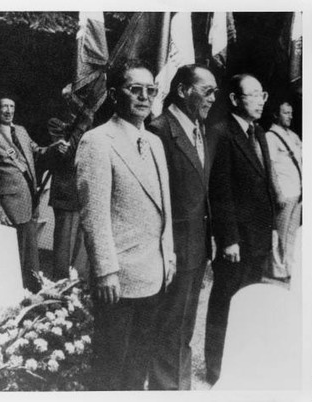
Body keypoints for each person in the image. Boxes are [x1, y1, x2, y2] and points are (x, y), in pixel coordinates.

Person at [76, 59, 176, 390]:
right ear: (116, 94)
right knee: (110, 368)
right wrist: (105, 271)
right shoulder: (97, 141)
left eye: (151, 90)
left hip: (154, 273)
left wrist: (169, 255)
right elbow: (94, 215)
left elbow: (165, 207)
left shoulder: (156, 143)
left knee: (139, 365)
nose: (145, 97)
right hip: (118, 280)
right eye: (136, 89)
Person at [148, 65, 218, 390]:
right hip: (174, 252)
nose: (213, 98)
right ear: (182, 91)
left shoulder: (197, 129)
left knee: (183, 333)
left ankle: (181, 389)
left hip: (196, 248)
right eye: (208, 91)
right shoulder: (159, 131)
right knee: (170, 333)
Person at [204, 74, 276, 385]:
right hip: (236, 242)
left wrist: (270, 227)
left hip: (258, 237)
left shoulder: (258, 133)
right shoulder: (221, 133)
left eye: (263, 95)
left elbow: (264, 185)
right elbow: (220, 192)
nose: (261, 101)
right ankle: (215, 367)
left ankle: (239, 360)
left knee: (248, 302)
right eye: (254, 94)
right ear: (234, 99)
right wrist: (228, 238)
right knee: (225, 300)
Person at [0, 94, 68, 293]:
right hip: (9, 201)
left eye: (11, 106)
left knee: (30, 246)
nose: (8, 111)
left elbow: (38, 152)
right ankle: (15, 289)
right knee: (15, 249)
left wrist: (54, 148)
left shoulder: (22, 131)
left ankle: (32, 287)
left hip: (29, 197)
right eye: (4, 107)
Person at [48, 107, 92, 282]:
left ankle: (76, 286)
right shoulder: (56, 123)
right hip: (65, 194)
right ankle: (60, 288)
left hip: (82, 193)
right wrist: (83, 124)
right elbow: (69, 153)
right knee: (64, 247)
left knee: (80, 246)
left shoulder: (85, 122)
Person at [265, 101, 302, 282]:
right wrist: (277, 192)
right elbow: (270, 166)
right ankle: (278, 270)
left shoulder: (293, 136)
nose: (290, 116)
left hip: (297, 191)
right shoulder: (271, 136)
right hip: (285, 191)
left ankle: (288, 268)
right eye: (286, 113)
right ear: (276, 115)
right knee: (280, 233)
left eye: (291, 113)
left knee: (292, 233)